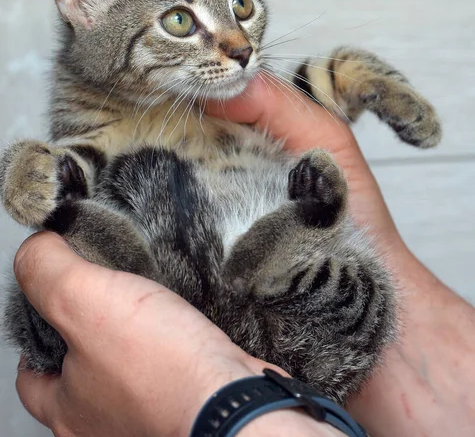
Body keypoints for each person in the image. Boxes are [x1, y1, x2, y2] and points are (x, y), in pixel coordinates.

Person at [13, 76, 475, 437]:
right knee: (362, 315)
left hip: (202, 294)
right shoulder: (96, 109)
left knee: (49, 301)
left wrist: (203, 410)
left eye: (240, 5)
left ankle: (104, 244)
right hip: (289, 322)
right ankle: (292, 239)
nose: (234, 42)